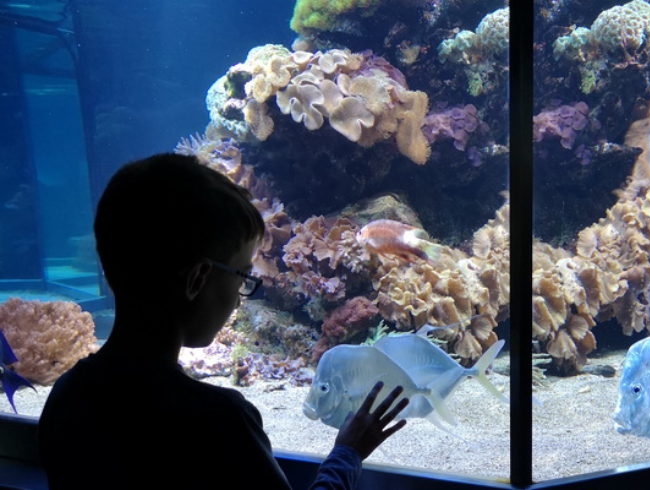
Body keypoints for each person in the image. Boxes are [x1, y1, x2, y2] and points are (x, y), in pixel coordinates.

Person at [38, 153, 409, 490]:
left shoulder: (69, 396)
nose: (240, 294)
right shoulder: (219, 421)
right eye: (241, 275)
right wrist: (347, 453)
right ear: (198, 279)